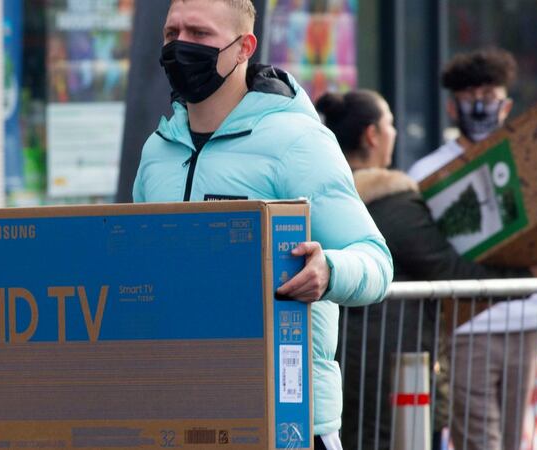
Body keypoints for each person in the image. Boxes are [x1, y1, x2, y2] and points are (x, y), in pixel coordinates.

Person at [131, 1, 394, 449]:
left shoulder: (298, 141)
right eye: (172, 33)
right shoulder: (158, 151)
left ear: (243, 48)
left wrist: (328, 270)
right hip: (180, 415)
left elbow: (376, 260)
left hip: (288, 422)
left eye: (199, 34)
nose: (180, 46)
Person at [316, 88, 537, 450]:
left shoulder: (324, 198)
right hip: (388, 366)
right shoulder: (396, 207)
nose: (395, 132)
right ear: (372, 135)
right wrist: (530, 278)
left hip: (338, 358)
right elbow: (452, 270)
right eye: (391, 123)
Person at [408, 47, 537, 450]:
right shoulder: (429, 174)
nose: (481, 106)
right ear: (452, 107)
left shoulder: (524, 163)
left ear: (506, 105)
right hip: (468, 326)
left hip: (525, 321)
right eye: (471, 97)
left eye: (489, 96)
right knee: (479, 441)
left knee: (510, 440)